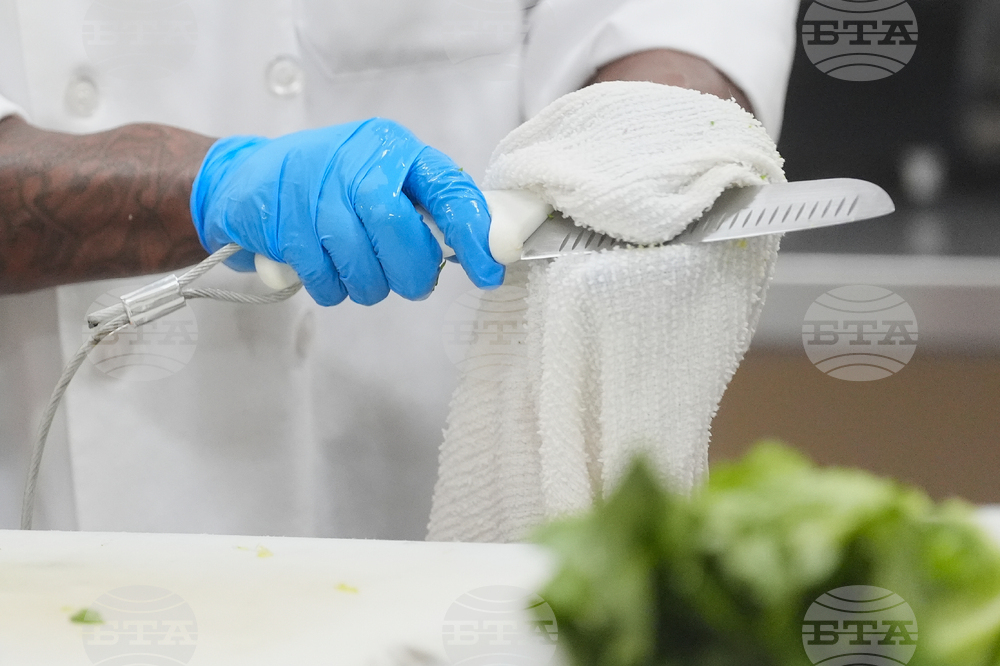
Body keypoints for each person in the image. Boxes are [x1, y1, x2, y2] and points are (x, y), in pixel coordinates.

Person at [0, 0, 798, 538]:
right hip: (58, 505)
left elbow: (677, 17)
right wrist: (205, 189)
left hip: (427, 442)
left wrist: (644, 131)